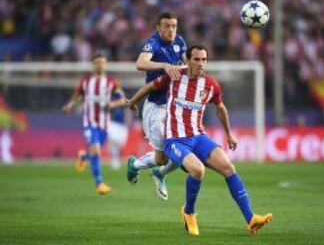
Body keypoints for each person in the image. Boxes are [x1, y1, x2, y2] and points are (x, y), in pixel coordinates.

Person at [127, 44, 272, 236]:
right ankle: (189, 212)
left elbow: (220, 108)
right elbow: (150, 87)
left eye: (204, 59)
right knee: (197, 170)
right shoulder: (174, 76)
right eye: (196, 59)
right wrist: (132, 101)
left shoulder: (211, 85)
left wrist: (229, 134)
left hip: (198, 137)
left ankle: (251, 218)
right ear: (187, 60)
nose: (201, 63)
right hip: (175, 140)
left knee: (228, 167)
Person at [128, 12, 187, 201]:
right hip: (157, 106)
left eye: (174, 26)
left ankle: (159, 174)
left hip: (176, 107)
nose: (171, 30)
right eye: (167, 26)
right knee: (162, 158)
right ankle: (135, 165)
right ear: (158, 28)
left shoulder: (179, 41)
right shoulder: (152, 43)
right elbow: (140, 63)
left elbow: (186, 63)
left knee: (183, 151)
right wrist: (165, 65)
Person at [62, 53, 126, 195]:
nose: (99, 65)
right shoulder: (85, 82)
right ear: (93, 65)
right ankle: (99, 183)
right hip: (89, 122)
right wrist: (69, 105)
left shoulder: (111, 82)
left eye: (102, 62)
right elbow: (77, 96)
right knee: (96, 149)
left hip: (104, 125)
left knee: (95, 151)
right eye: (97, 62)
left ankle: (83, 156)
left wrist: (112, 104)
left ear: (106, 65)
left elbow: (122, 99)